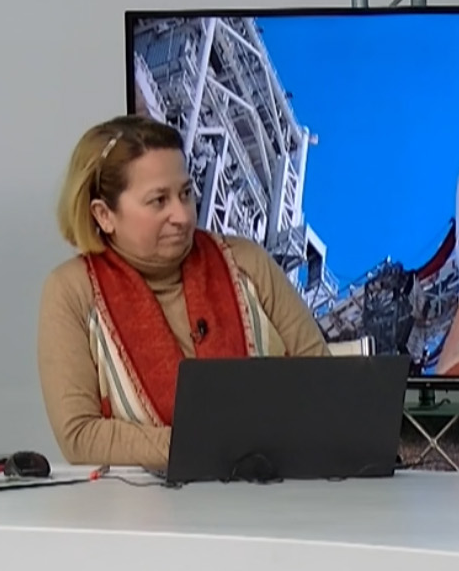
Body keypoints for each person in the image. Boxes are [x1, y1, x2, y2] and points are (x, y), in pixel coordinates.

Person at [37, 114, 330, 469]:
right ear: (104, 215)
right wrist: (214, 446)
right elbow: (80, 436)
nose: (183, 215)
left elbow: (325, 384)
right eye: (159, 200)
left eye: (186, 193)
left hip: (273, 493)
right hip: (142, 504)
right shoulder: (71, 290)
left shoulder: (247, 262)